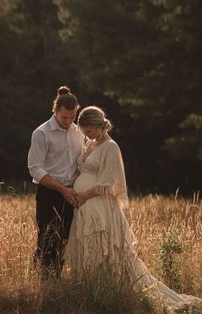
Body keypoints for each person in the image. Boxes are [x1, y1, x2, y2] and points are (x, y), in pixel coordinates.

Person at [64, 105, 202, 311]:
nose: (87, 135)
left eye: (89, 131)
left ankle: (111, 293)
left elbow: (107, 183)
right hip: (84, 208)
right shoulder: (90, 143)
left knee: (106, 254)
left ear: (99, 126)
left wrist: (83, 195)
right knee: (87, 251)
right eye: (84, 132)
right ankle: (89, 291)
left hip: (100, 207)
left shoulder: (111, 147)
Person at [27, 85, 84, 277]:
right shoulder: (41, 133)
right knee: (47, 239)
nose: (68, 122)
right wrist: (62, 190)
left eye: (72, 117)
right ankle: (43, 282)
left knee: (66, 239)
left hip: (73, 194)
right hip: (49, 193)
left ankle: (55, 281)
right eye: (63, 118)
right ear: (55, 111)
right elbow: (35, 168)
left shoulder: (79, 132)